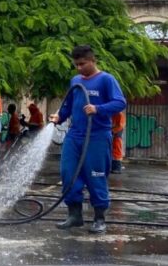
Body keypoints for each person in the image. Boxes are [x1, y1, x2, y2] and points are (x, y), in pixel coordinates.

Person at [50, 45, 127, 234]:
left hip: (97, 136)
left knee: (96, 176)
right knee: (68, 174)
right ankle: (74, 216)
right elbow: (68, 105)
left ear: (93, 61)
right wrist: (59, 116)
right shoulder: (76, 81)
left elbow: (120, 102)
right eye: (76, 64)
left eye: (82, 64)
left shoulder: (106, 80)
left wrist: (98, 109)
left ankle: (99, 219)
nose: (79, 68)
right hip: (74, 135)